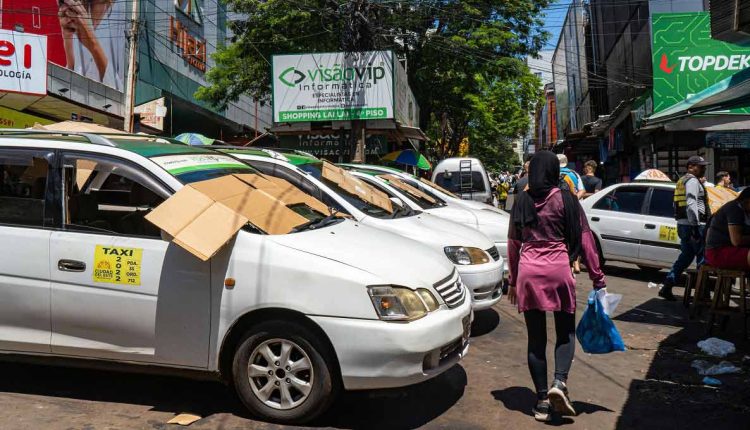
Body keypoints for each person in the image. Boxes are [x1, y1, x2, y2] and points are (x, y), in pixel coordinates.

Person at [508, 151, 606, 422]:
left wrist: (513, 281)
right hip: (558, 271)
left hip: (528, 273)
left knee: (535, 339)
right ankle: (559, 383)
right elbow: (585, 239)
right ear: (554, 172)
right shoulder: (567, 199)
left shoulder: (521, 200)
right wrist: (598, 277)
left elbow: (513, 245)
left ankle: (541, 401)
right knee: (565, 333)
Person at [651, 155, 711, 301]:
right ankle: (702, 294)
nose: (703, 168)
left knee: (685, 257)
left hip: (684, 224)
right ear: (691, 167)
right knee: (702, 259)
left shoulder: (682, 181)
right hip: (693, 225)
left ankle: (667, 286)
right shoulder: (692, 181)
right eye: (700, 166)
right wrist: (696, 226)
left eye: (704, 166)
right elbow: (691, 204)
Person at [59, 0, 127, 91]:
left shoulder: (126, 9)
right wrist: (67, 38)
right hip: (77, 100)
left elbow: (123, 94)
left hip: (106, 102)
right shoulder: (79, 11)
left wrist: (93, 45)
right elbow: (74, 71)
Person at [704, 187, 750, 270]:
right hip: (718, 252)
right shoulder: (734, 208)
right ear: (747, 201)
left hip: (734, 250)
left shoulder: (746, 211)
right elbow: (736, 241)